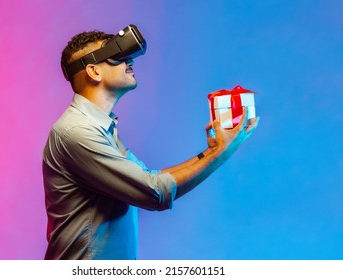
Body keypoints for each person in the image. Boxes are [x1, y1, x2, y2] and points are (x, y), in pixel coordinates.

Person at [42, 27, 259, 260]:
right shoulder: (77, 132)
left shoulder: (100, 126)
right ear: (94, 72)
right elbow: (153, 192)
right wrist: (221, 154)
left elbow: (147, 176)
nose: (130, 61)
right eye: (117, 56)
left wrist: (212, 151)